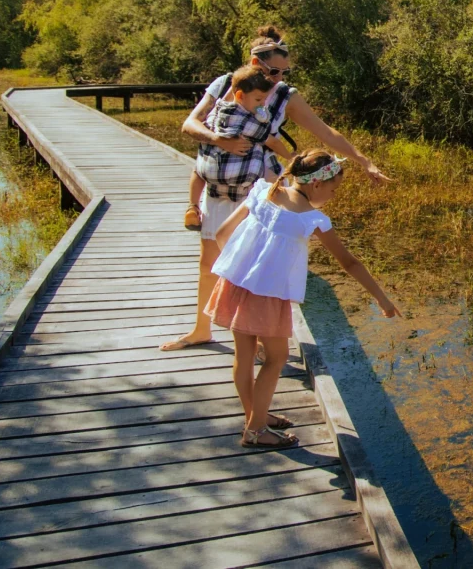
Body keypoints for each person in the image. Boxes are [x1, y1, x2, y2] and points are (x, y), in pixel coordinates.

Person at [162, 25, 390, 353]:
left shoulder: (285, 95)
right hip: (216, 186)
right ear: (255, 63)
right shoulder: (226, 84)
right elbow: (190, 123)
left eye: (285, 71)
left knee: (252, 262)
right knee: (208, 260)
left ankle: (252, 336)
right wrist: (217, 139)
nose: (278, 78)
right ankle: (202, 330)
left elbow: (326, 132)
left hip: (254, 187)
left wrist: (364, 160)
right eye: (272, 71)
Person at [207, 150, 400, 447]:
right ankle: (256, 431)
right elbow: (349, 263)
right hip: (267, 295)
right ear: (317, 185)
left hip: (234, 284)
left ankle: (254, 417)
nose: (334, 195)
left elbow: (222, 235)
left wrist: (240, 268)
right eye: (334, 189)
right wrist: (383, 300)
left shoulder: (263, 192)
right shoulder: (311, 219)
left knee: (243, 356)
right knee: (277, 358)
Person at [193, 65, 280, 205]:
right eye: (259, 100)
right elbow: (273, 142)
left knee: (197, 167)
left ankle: (192, 206)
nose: (262, 104)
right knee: (274, 173)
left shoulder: (216, 113)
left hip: (211, 178)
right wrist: (291, 157)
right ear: (240, 95)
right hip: (242, 181)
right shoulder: (249, 121)